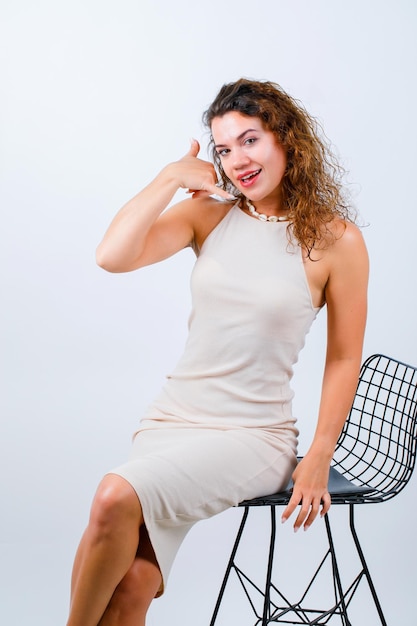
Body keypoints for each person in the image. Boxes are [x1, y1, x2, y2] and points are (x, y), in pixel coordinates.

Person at [66, 78, 369, 626]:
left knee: (114, 495)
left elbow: (345, 357)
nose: (236, 160)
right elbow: (111, 257)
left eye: (249, 141)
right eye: (223, 149)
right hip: (173, 417)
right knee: (134, 581)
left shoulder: (336, 241)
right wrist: (168, 179)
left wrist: (320, 455)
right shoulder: (210, 216)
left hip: (254, 435)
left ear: (286, 141)